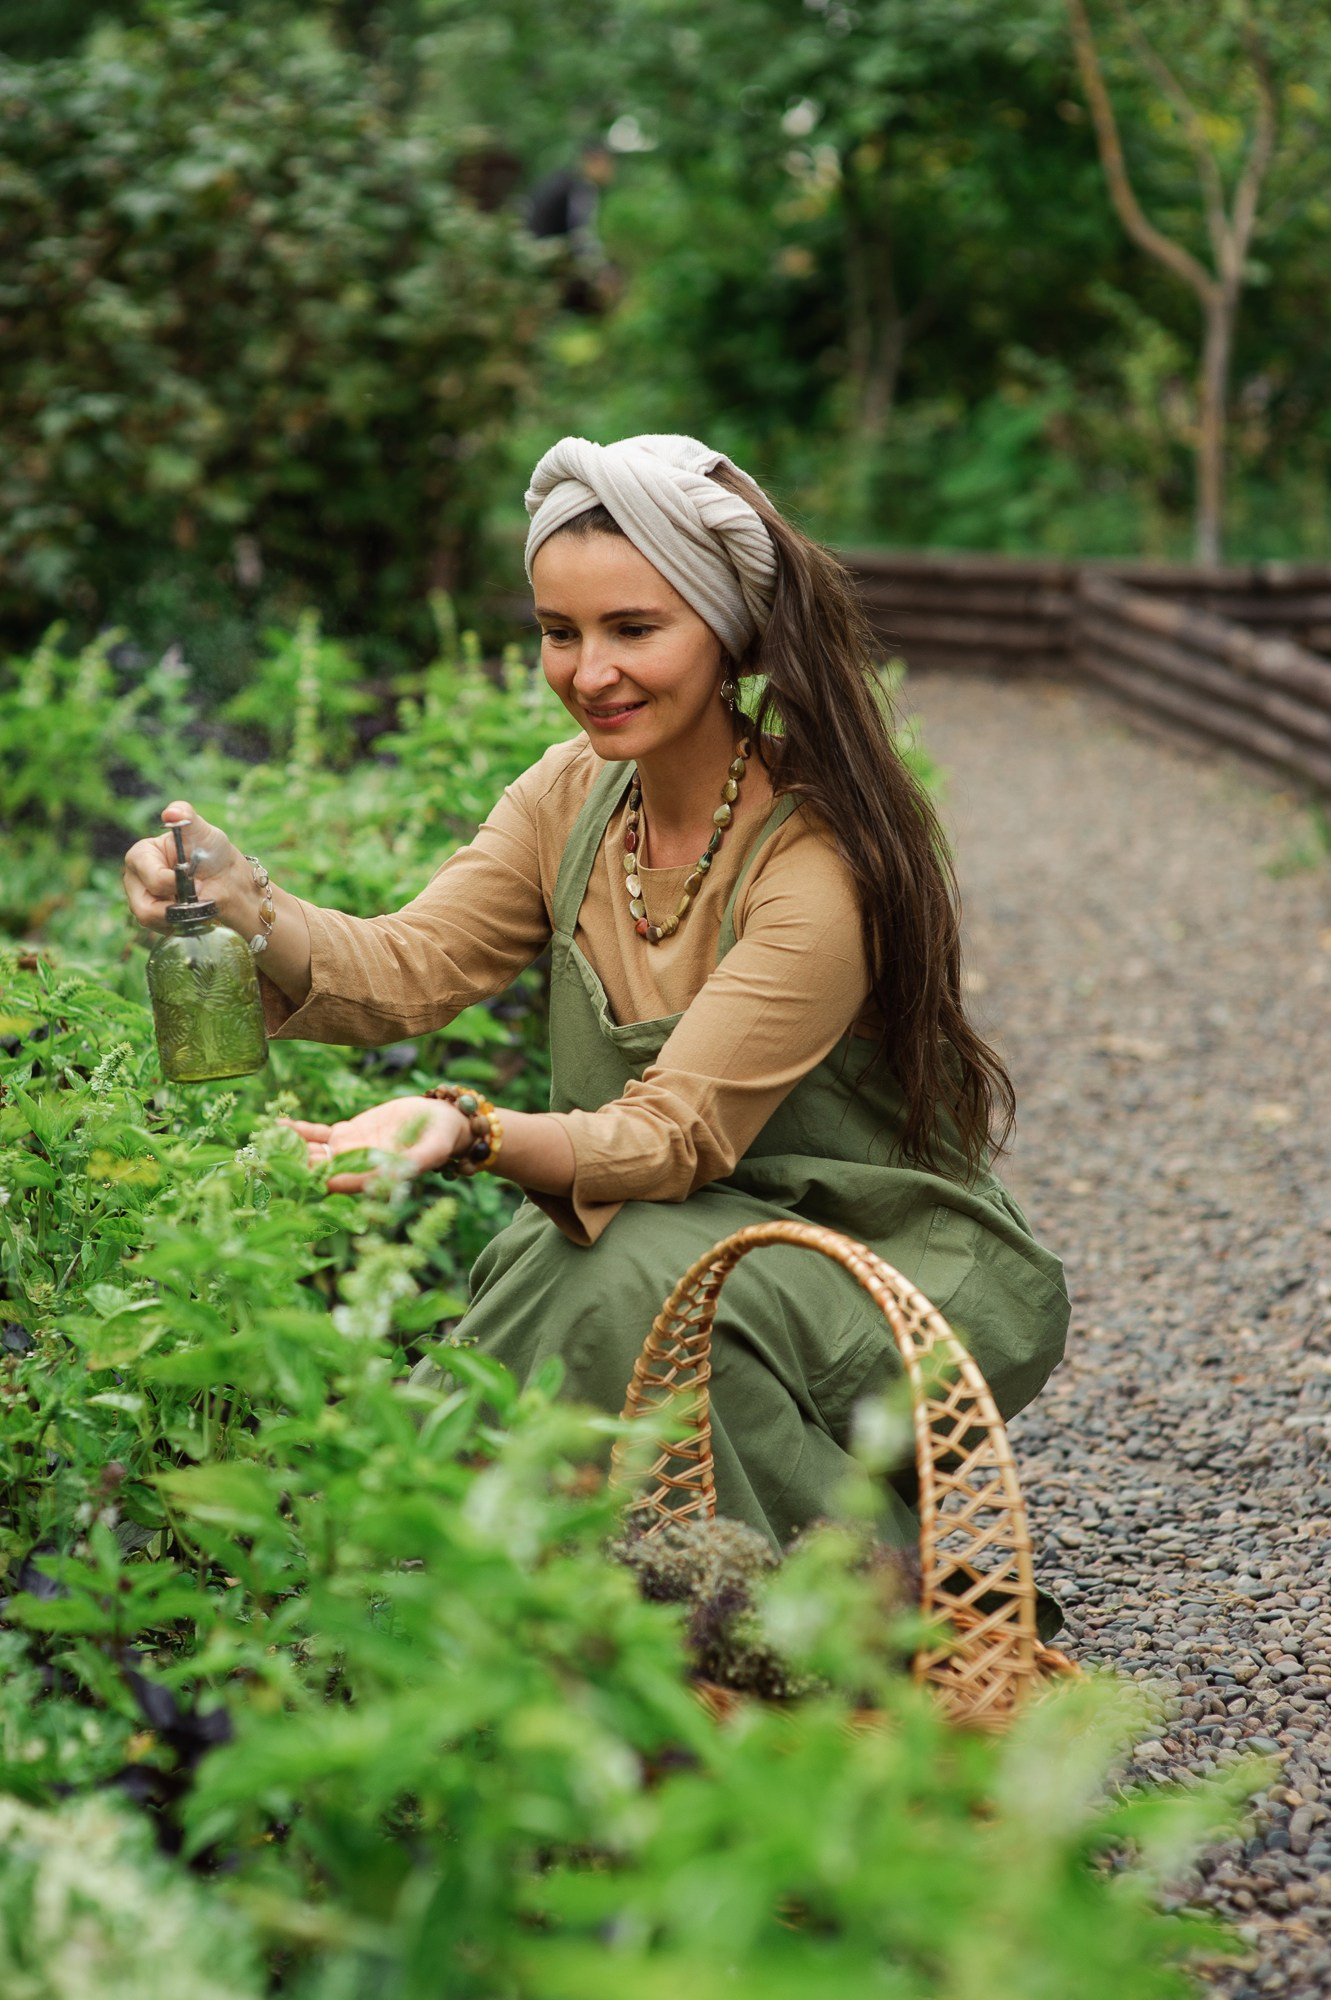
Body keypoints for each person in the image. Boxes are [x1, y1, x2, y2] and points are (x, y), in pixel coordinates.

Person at [122, 433, 1069, 1554]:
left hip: (893, 1277)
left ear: (726, 631)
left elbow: (671, 1138)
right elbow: (407, 966)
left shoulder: (815, 863)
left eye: (633, 628)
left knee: (616, 1260)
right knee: (578, 1254)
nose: (588, 670)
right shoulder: (570, 798)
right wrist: (245, 903)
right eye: (556, 632)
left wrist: (462, 1126)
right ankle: (531, 1575)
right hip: (697, 1237)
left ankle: (841, 1590)